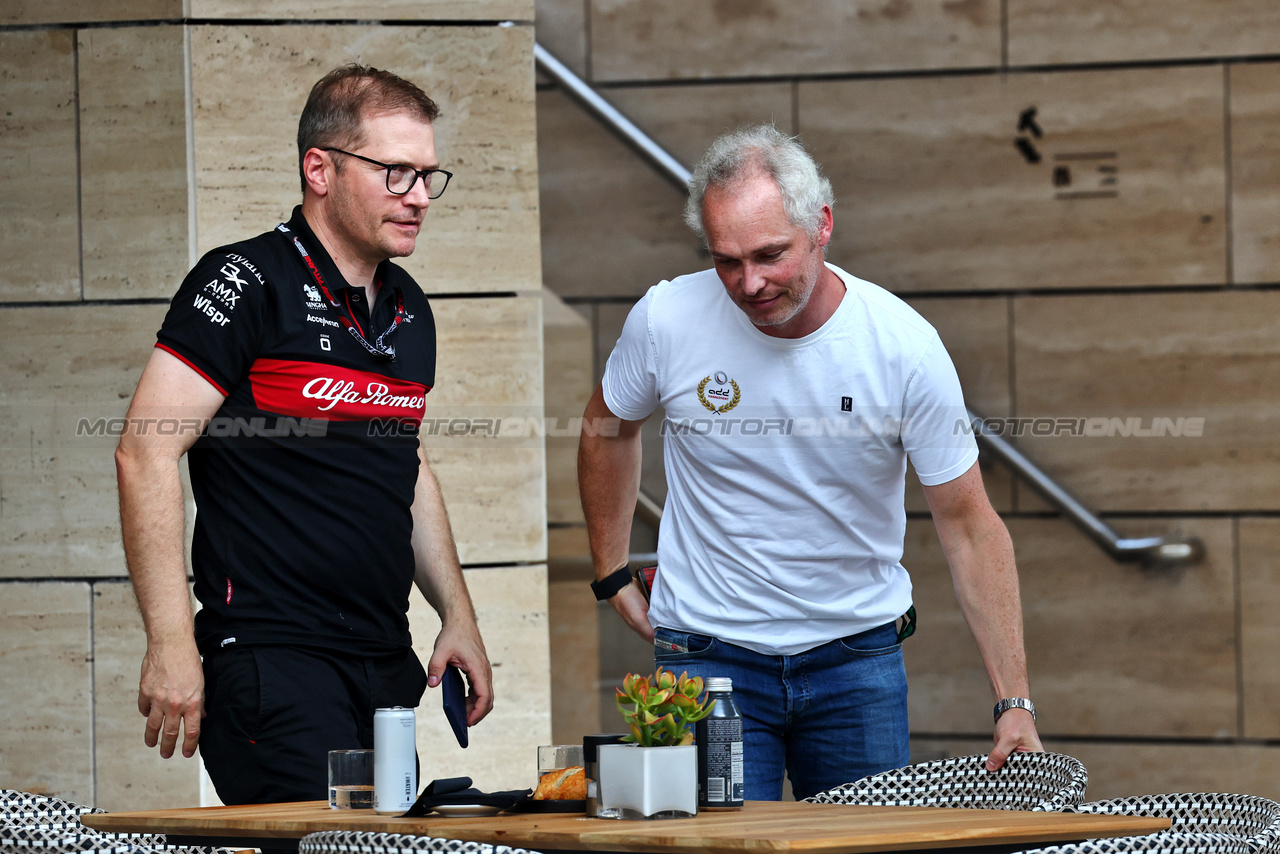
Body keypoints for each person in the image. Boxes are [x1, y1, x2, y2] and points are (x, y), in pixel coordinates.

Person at [577, 124, 1042, 801]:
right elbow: (606, 429)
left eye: (770, 255)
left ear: (822, 223)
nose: (750, 282)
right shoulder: (667, 318)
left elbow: (970, 526)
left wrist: (1015, 703)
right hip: (707, 658)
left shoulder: (902, 346)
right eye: (726, 260)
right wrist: (609, 569)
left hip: (856, 661)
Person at [115, 64, 493, 805]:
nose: (418, 196)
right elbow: (143, 452)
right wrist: (169, 642)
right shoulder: (243, 281)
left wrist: (459, 616)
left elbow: (405, 466)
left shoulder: (410, 308)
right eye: (395, 173)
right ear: (319, 168)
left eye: (427, 175)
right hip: (271, 663)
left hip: (383, 664)